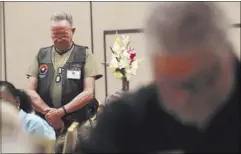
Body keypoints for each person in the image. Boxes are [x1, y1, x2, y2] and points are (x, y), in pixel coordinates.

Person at [77, 2, 240, 153]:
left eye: (202, 82)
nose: (184, 98)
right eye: (171, 83)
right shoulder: (125, 125)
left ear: (229, 58)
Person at [26, 12, 102, 134]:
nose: (59, 39)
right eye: (55, 35)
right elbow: (29, 91)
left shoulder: (84, 54)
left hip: (77, 123)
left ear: (73, 31)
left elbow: (88, 92)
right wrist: (49, 112)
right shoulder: (41, 55)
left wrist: (62, 111)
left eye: (63, 34)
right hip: (45, 123)